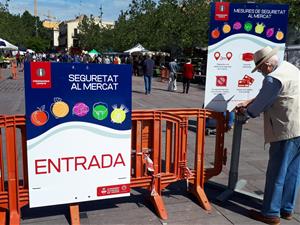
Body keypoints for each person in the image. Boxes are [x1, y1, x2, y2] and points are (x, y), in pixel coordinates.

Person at [236, 46, 300, 225]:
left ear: (267, 66)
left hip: (285, 130)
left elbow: (258, 108)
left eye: (260, 69)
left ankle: (271, 213)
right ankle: (286, 209)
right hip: (299, 127)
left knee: (276, 173)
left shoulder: (273, 79)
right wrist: (251, 100)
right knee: (293, 172)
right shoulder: (290, 68)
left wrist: (245, 110)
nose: (261, 73)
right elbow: (272, 96)